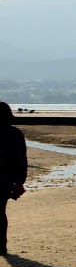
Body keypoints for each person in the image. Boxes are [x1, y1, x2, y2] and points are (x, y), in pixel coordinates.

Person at [0, 102, 27, 257]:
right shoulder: (15, 133)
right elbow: (21, 159)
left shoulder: (14, 134)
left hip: (4, 180)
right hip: (7, 180)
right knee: (0, 212)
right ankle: (1, 247)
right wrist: (19, 182)